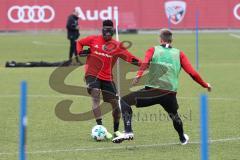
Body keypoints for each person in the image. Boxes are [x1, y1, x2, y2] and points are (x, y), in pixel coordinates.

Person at [112, 29, 212, 144]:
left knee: (124, 100)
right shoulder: (179, 53)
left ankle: (128, 130)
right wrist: (205, 85)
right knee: (174, 115)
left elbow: (145, 63)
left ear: (160, 39)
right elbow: (193, 74)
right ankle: (183, 138)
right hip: (169, 94)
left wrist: (138, 75)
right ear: (171, 40)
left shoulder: (153, 50)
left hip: (152, 92)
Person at [76, 20, 142, 139]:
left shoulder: (117, 46)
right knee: (95, 93)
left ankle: (116, 130)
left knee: (116, 105)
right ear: (102, 30)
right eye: (105, 31)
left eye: (109, 31)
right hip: (92, 75)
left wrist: (145, 65)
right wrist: (80, 51)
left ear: (112, 31)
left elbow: (131, 58)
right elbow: (79, 42)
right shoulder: (93, 39)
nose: (107, 33)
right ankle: (100, 127)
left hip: (107, 78)